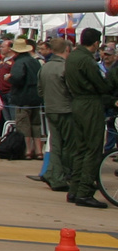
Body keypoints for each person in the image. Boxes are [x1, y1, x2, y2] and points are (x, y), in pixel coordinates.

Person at [63, 28, 118, 208]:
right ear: (95, 43)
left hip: (77, 102)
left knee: (80, 148)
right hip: (90, 103)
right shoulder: (87, 60)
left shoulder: (73, 57)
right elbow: (101, 84)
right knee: (92, 149)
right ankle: (85, 192)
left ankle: (75, 189)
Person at [39, 37, 73, 193]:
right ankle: (59, 176)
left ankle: (52, 173)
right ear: (67, 49)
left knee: (55, 144)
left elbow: (39, 90)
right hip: (65, 109)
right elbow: (72, 89)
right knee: (66, 145)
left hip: (50, 108)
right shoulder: (65, 68)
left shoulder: (45, 67)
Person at [9, 36, 44, 161]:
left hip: (23, 98)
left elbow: (18, 78)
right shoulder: (35, 61)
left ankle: (27, 151)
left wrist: (10, 78)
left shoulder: (19, 62)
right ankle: (39, 151)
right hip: (36, 98)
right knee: (36, 124)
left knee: (24, 125)